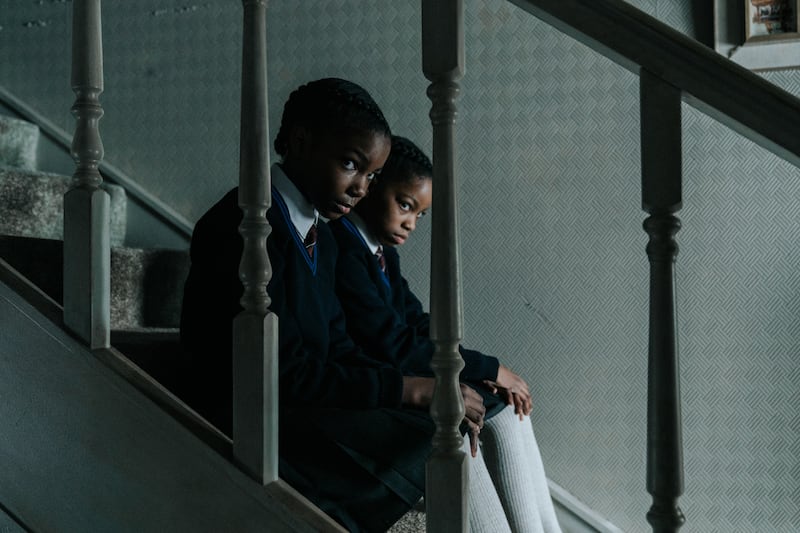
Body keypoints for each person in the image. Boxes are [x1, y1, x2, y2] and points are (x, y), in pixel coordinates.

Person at [179, 78, 487, 533]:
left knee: (445, 419)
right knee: (435, 437)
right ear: (301, 143)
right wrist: (405, 389)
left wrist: (411, 387)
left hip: (303, 399)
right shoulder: (243, 226)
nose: (362, 188)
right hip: (255, 416)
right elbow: (279, 373)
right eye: (350, 164)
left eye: (372, 176)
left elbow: (339, 345)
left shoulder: (319, 234)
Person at [329, 135, 563, 533]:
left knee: (509, 414)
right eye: (405, 205)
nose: (411, 223)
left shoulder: (380, 251)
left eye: (420, 214)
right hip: (376, 386)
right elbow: (392, 344)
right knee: (467, 426)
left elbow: (419, 326)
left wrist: (480, 368)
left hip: (402, 371)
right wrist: (480, 368)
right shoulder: (345, 249)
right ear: (372, 187)